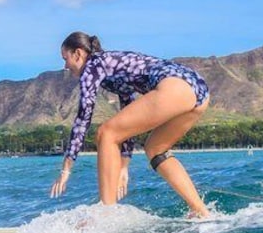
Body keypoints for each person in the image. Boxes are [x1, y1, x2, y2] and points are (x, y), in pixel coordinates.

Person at [50, 31, 211, 218]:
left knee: (106, 133)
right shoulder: (112, 64)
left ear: (78, 54)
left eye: (65, 58)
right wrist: (123, 167)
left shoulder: (93, 65)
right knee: (156, 150)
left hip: (175, 85)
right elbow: (128, 114)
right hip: (198, 91)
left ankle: (106, 215)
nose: (65, 65)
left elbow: (83, 117)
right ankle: (201, 212)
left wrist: (66, 169)